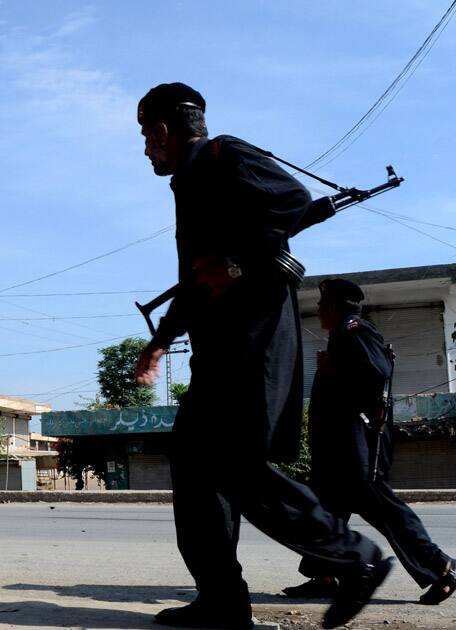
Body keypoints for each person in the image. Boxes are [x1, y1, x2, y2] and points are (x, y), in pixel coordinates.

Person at [133, 82, 392, 629]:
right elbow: (195, 279)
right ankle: (222, 600)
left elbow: (294, 202)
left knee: (233, 465)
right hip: (217, 344)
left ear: (162, 131)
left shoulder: (227, 156)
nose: (145, 150)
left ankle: (355, 559)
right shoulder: (191, 183)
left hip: (252, 339)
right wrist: (160, 341)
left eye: (145, 137)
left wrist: (235, 263)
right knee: (197, 471)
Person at [282, 278, 454, 605]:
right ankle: (326, 576)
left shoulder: (354, 329)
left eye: (322, 305)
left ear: (333, 307)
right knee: (326, 512)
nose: (318, 310)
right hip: (339, 449)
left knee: (387, 514)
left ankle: (443, 567)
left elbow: (376, 374)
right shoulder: (342, 334)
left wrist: (334, 370)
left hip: (355, 449)